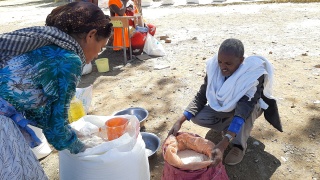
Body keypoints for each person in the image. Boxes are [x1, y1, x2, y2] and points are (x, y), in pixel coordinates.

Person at [0, 2, 112, 178]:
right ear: (91, 35)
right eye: (101, 47)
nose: (98, 54)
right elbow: (55, 130)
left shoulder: (45, 45)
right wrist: (86, 148)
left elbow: (41, 111)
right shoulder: (69, 60)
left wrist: (73, 134)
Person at [168, 38, 282, 166]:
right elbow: (202, 95)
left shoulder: (252, 75)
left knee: (247, 114)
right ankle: (230, 128)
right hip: (226, 107)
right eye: (220, 61)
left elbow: (244, 108)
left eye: (228, 63)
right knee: (197, 116)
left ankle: (238, 146)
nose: (222, 67)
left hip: (247, 108)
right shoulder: (214, 68)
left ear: (241, 61)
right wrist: (180, 120)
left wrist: (224, 142)